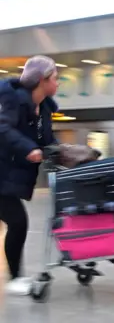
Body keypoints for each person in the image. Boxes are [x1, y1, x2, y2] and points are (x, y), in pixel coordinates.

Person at [0, 56, 59, 295]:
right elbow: (3, 128)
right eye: (56, 78)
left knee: (17, 222)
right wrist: (28, 149)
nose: (58, 83)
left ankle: (15, 277)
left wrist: (66, 153)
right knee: (17, 222)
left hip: (8, 176)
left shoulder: (44, 109)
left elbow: (47, 141)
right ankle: (15, 279)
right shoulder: (12, 99)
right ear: (42, 81)